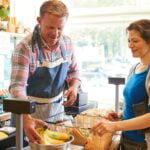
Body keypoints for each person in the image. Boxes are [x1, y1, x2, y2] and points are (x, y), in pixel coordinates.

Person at [9, 0, 80, 143]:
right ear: (39, 21)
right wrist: (26, 117)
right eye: (50, 27)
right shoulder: (25, 48)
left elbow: (73, 71)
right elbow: (17, 86)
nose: (55, 34)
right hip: (28, 116)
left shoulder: (67, 43)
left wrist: (74, 86)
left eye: (60, 28)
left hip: (56, 115)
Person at [91, 19, 150, 150]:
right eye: (129, 41)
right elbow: (138, 106)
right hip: (127, 139)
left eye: (135, 41)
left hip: (143, 144)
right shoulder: (135, 68)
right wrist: (120, 116)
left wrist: (115, 126)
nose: (130, 45)